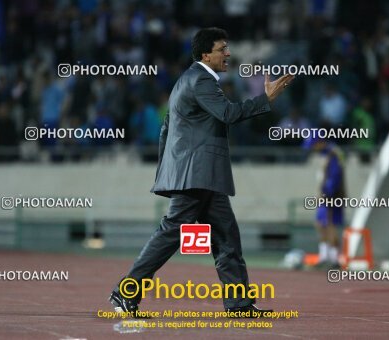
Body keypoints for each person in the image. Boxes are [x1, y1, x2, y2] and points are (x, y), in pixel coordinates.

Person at [109, 27, 294, 317]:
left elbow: (166, 130)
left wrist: (168, 170)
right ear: (206, 54)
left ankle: (239, 304)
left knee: (226, 236)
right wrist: (265, 99)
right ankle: (124, 293)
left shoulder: (186, 81)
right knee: (173, 232)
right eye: (222, 49)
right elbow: (228, 114)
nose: (228, 53)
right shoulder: (202, 80)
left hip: (199, 174)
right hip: (197, 173)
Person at [304, 136, 346, 269]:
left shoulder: (332, 154)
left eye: (313, 145)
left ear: (319, 143)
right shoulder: (325, 155)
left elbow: (334, 177)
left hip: (331, 196)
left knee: (331, 226)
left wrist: (327, 194)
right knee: (320, 224)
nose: (312, 149)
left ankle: (334, 259)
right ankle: (324, 256)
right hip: (325, 195)